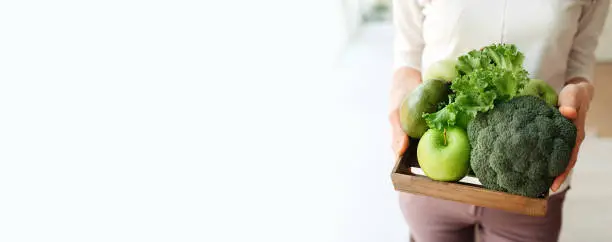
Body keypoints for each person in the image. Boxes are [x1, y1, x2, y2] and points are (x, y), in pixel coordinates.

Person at [388, 0, 609, 241]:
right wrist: (401, 107)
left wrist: (581, 96)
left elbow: (581, 57)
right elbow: (407, 55)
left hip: (529, 176)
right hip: (430, 180)